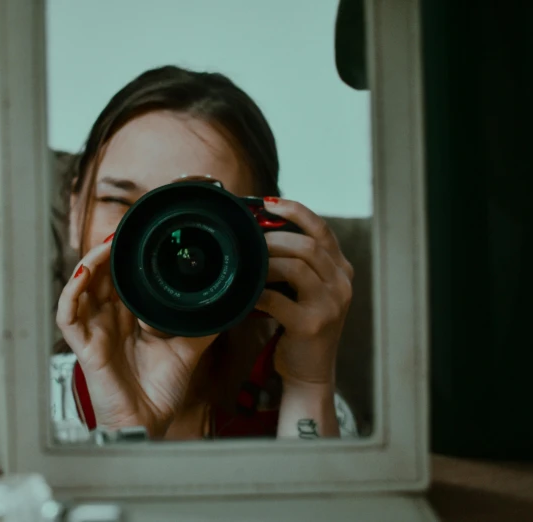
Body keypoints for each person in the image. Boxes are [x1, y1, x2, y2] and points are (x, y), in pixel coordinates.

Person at [51, 65, 358, 441]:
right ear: (74, 211)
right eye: (118, 201)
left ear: (256, 235)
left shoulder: (307, 403)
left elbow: (317, 502)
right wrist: (124, 427)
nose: (159, 240)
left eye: (197, 214)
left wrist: (307, 382)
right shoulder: (26, 408)